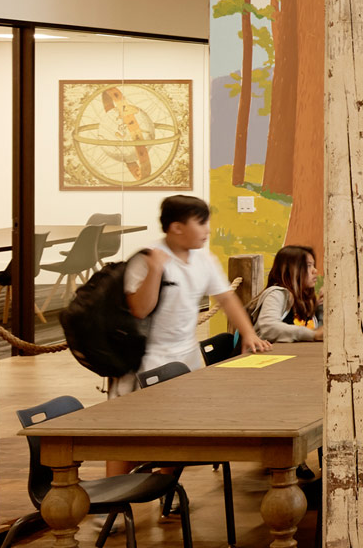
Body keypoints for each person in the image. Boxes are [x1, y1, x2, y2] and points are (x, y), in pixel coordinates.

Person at [109, 195, 271, 473]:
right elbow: (139, 309)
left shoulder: (203, 259)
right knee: (129, 434)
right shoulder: (148, 258)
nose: (207, 229)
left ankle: (162, 488)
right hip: (146, 359)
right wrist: (156, 271)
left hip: (186, 357)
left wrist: (248, 334)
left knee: (178, 431)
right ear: (177, 227)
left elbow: (227, 298)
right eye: (201, 222)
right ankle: (112, 504)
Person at [250, 245, 323, 343]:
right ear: (292, 270)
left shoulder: (306, 301)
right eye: (308, 266)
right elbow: (268, 327)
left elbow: (320, 332)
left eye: (314, 265)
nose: (315, 271)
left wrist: (322, 307)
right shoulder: (277, 294)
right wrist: (313, 334)